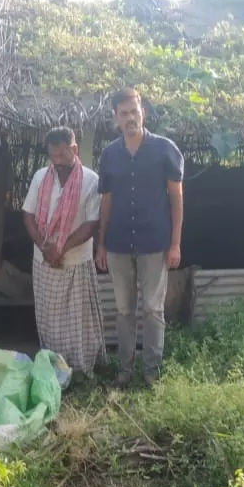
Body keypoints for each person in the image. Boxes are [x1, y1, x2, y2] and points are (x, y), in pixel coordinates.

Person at [95, 88, 184, 388]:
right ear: (115, 118)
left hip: (154, 243)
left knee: (152, 310)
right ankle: (124, 370)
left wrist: (175, 243)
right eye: (124, 113)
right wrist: (102, 242)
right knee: (123, 311)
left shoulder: (165, 149)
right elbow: (106, 200)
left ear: (143, 111)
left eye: (134, 111)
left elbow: (176, 197)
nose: (130, 117)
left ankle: (151, 373)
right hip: (118, 243)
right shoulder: (109, 155)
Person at [23, 127, 104, 373]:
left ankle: (79, 369)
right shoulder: (40, 177)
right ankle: (53, 366)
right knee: (49, 318)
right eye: (52, 153)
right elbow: (28, 214)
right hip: (44, 259)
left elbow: (91, 223)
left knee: (77, 319)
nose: (57, 158)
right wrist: (44, 246)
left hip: (76, 260)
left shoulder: (91, 180)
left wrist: (61, 248)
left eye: (62, 152)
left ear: (74, 149)